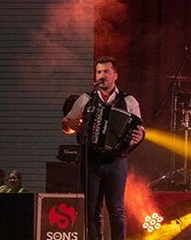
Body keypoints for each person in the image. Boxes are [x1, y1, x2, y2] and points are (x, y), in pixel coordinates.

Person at [62, 56, 144, 240]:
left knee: (117, 210)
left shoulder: (129, 101)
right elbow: (67, 125)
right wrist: (69, 124)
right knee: (92, 211)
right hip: (91, 161)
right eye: (99, 72)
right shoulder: (85, 99)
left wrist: (139, 136)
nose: (102, 75)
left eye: (106, 71)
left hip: (116, 161)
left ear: (115, 75)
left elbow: (139, 129)